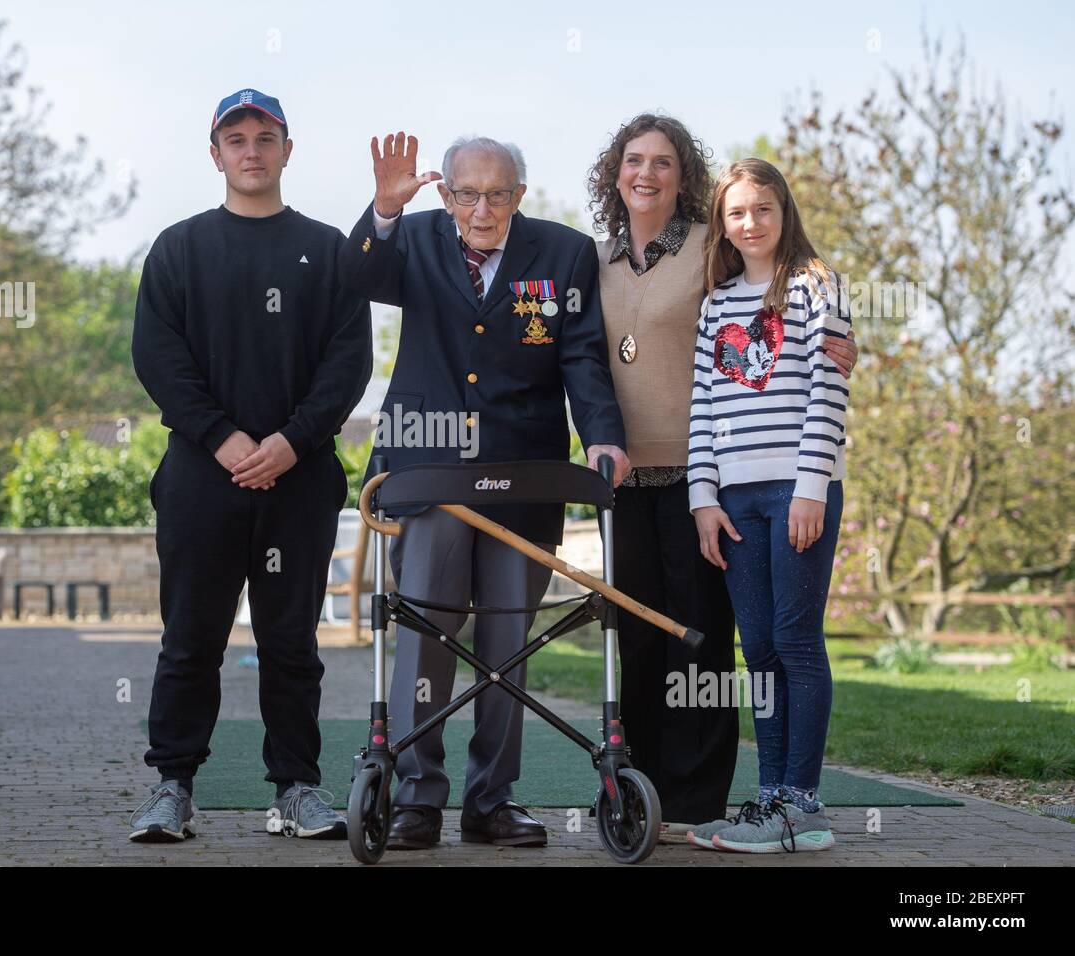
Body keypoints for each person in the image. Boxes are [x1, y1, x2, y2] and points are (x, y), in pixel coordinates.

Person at [338, 132, 628, 850]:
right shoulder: (414, 236)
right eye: (466, 193)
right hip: (429, 470)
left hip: (524, 473)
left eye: (498, 194)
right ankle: (415, 798)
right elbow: (356, 278)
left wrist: (601, 435)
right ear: (444, 193)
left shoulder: (564, 253)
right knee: (427, 634)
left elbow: (582, 352)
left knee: (506, 643)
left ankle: (491, 800)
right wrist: (382, 206)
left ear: (520, 196)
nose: (482, 208)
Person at [588, 114, 858, 835]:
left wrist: (810, 480)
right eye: (634, 160)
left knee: (744, 639)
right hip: (674, 482)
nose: (646, 173)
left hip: (749, 483)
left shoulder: (763, 267)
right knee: (685, 639)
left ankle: (763, 799)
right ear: (616, 172)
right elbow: (695, 391)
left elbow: (824, 380)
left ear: (685, 178)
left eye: (663, 163)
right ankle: (684, 789)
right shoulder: (611, 261)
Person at [128, 89, 372, 843]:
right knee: (191, 638)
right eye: (236, 138)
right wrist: (222, 438)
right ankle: (173, 787)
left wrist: (294, 441)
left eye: (266, 137)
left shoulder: (328, 248)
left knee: (291, 642)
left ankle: (297, 788)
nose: (251, 150)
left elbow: (348, 360)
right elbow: (158, 357)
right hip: (203, 477)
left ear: (287, 151)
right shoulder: (179, 248)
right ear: (216, 154)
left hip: (298, 479)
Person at [685, 157, 851, 853]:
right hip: (735, 500)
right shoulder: (717, 303)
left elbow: (828, 392)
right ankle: (770, 800)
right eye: (736, 213)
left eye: (762, 209)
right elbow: (702, 407)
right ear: (722, 224)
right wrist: (702, 498)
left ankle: (803, 805)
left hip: (797, 490)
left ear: (784, 212)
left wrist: (810, 487)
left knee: (794, 639)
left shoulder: (819, 288)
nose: (749, 223)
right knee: (757, 649)